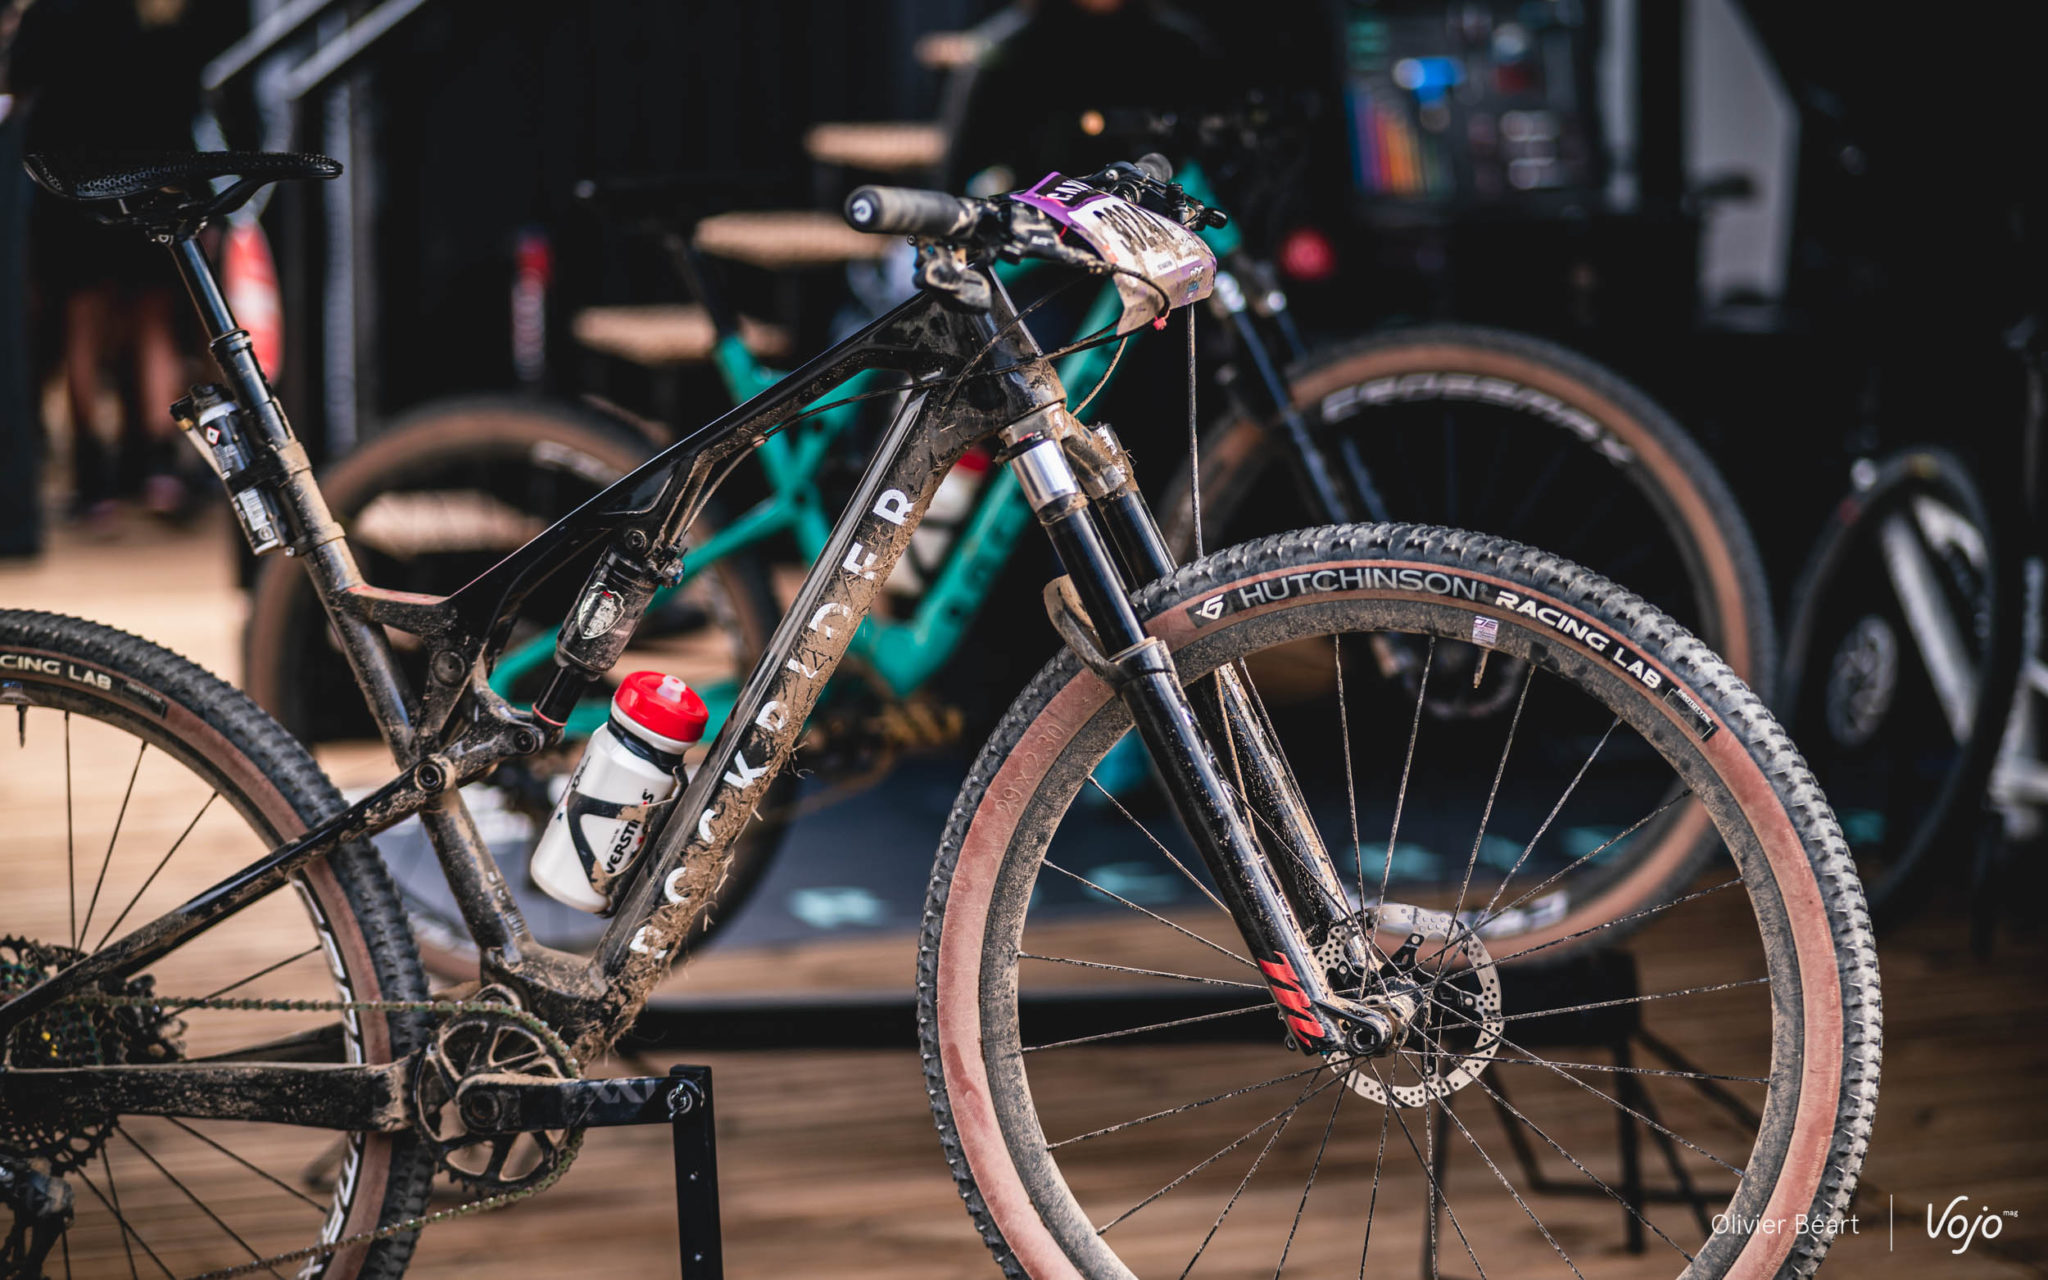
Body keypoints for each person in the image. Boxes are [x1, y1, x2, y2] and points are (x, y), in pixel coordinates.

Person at [7, 0, 235, 526]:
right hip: (151, 169)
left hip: (74, 177)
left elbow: (20, 86)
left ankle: (95, 479)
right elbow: (190, 102)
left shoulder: (58, 12)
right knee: (153, 322)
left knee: (82, 324)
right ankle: (159, 466)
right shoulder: (161, 14)